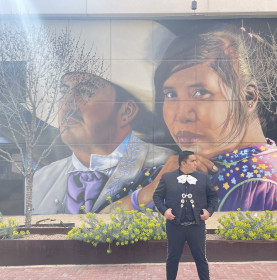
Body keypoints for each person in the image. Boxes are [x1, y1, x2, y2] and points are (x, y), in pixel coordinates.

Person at [151, 27, 277, 211]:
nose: (181, 116)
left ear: (248, 97)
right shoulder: (193, 166)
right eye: (171, 94)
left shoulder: (259, 186)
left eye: (200, 93)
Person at [32, 71, 174, 214]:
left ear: (127, 111)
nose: (66, 102)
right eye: (64, 91)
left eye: (85, 91)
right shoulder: (40, 179)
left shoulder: (166, 166)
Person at [153, 150, 217, 280]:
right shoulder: (167, 178)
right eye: (193, 161)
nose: (196, 163)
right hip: (175, 226)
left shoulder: (203, 178)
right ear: (183, 163)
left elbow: (213, 196)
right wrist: (164, 211)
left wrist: (209, 212)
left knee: (201, 258)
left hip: (196, 226)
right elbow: (157, 196)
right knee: (172, 258)